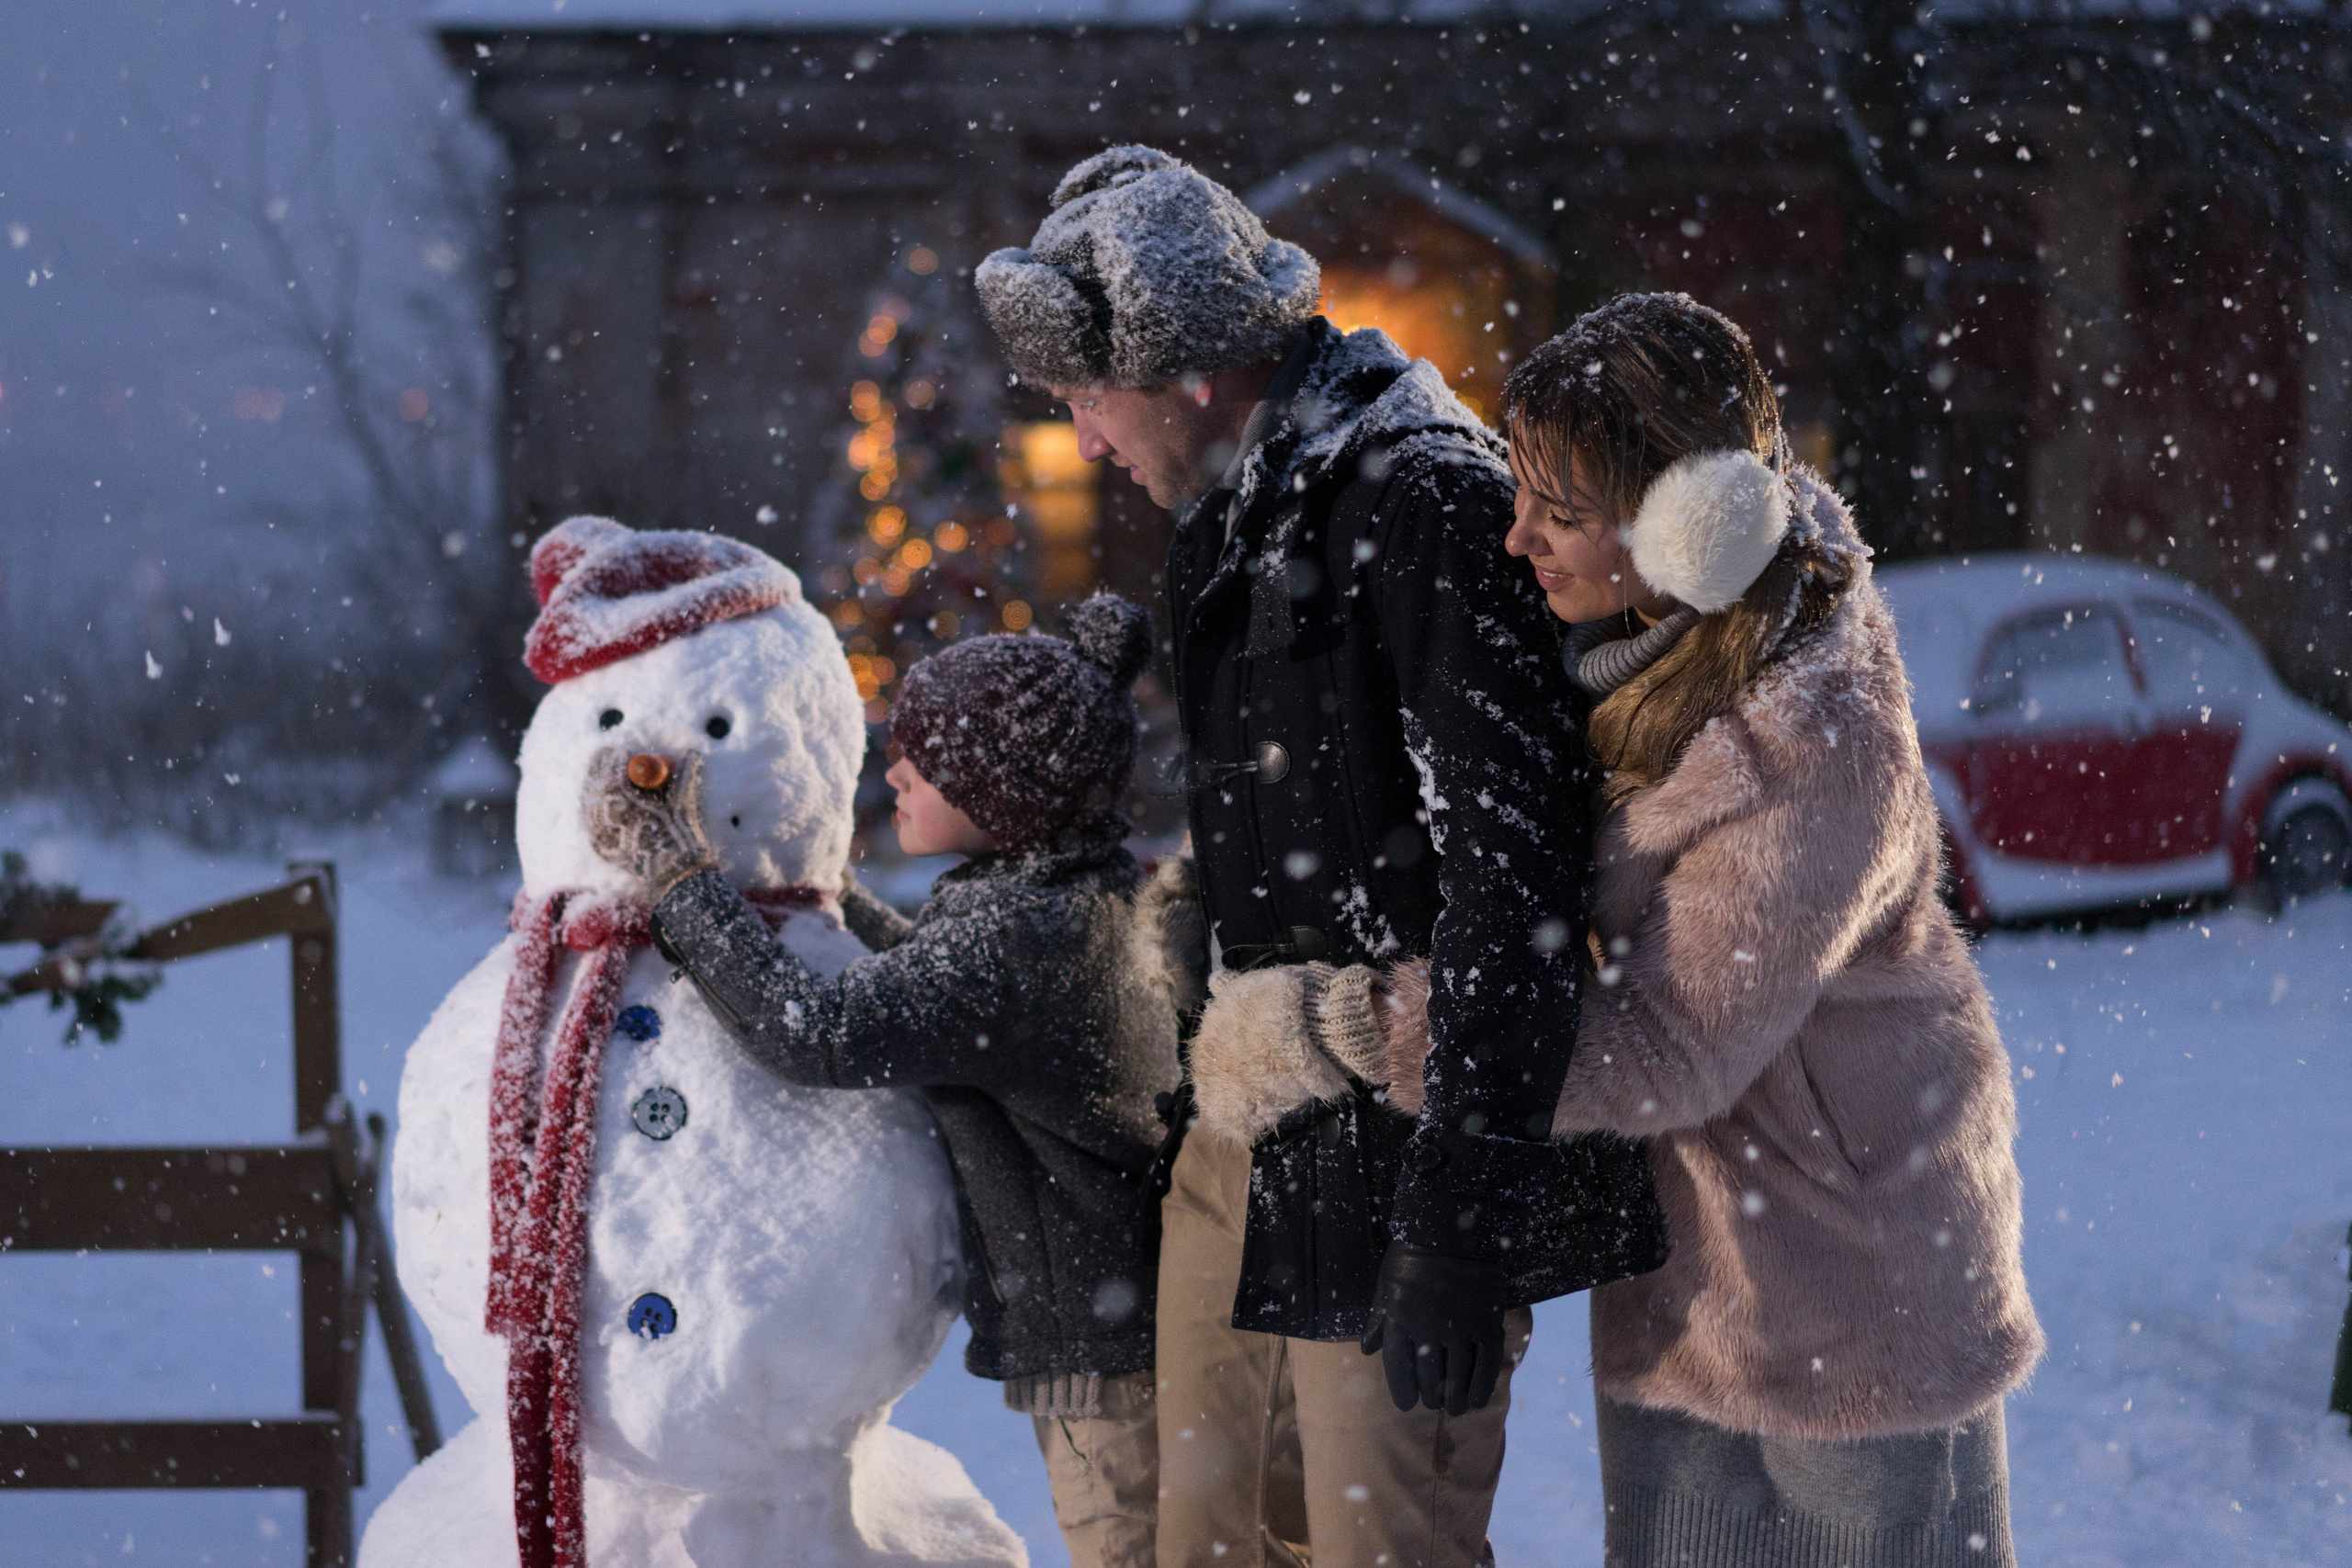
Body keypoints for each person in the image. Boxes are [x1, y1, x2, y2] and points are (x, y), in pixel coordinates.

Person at [1238, 291, 2045, 1567]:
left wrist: (1369, 1028)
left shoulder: (1805, 737)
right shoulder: (1646, 662)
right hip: (1702, 1274)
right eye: (1522, 494)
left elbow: (1677, 1043)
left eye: (1559, 512)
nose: (1518, 540)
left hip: (1861, 1273)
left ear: (1697, 522)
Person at [976, 145, 1668, 1568]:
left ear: (1193, 371)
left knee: (1373, 1552)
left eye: (1089, 401)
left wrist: (1460, 1233)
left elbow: (1515, 890)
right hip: (1243, 1133)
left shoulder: (1427, 503)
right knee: (1202, 1542)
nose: (1085, 438)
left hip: (1401, 1147)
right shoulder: (1223, 520)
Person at [580, 592, 1183, 1568]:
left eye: (926, 761)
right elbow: (939, 995)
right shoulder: (1066, 898)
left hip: (1103, 1346)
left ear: (1000, 792)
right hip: (1142, 1316)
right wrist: (830, 891)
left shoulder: (1013, 937)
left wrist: (679, 878)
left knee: (1131, 1550)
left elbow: (819, 1033)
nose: (893, 769)